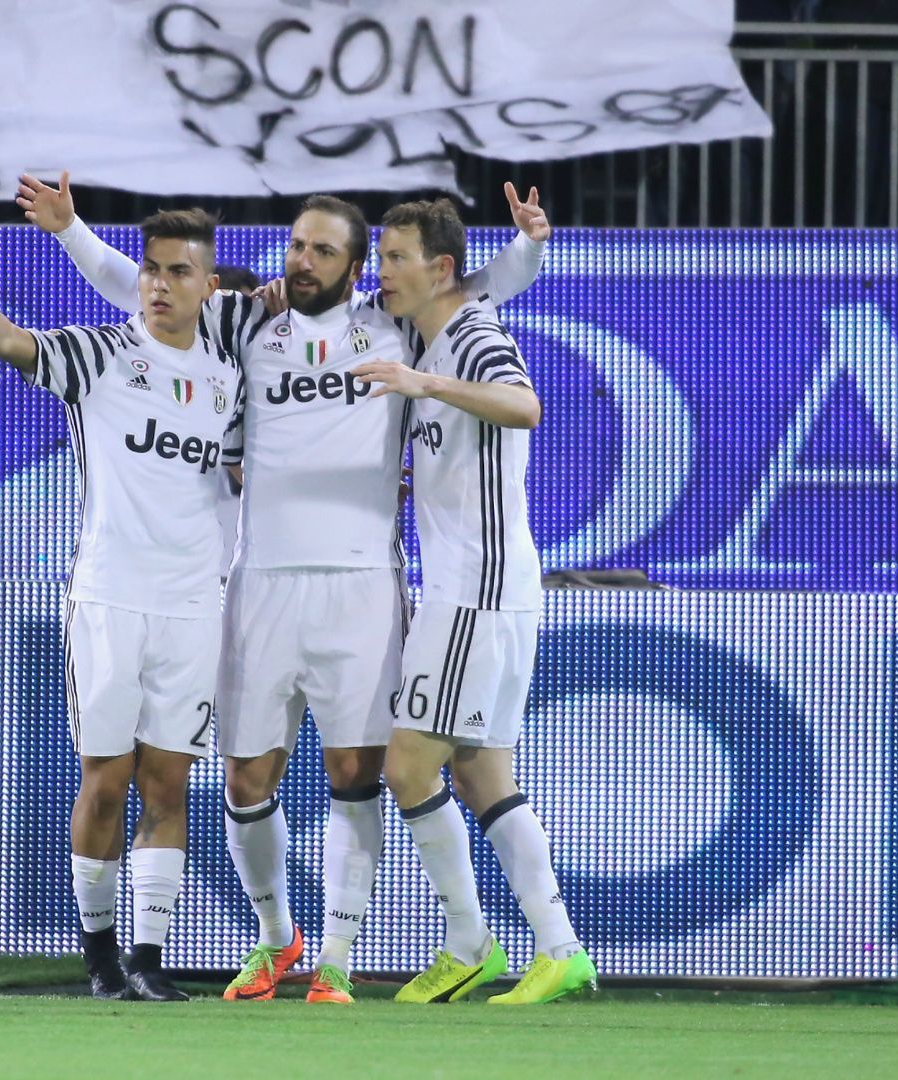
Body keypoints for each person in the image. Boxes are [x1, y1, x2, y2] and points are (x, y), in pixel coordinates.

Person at [18, 171, 550, 1002]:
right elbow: (148, 291)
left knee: (353, 774)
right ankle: (276, 939)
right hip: (259, 581)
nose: (302, 260)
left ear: (356, 265)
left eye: (323, 250)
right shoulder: (249, 321)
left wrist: (526, 245)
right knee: (243, 781)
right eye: (298, 243)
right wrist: (69, 230)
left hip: (364, 586)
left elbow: (473, 288)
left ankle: (334, 957)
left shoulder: (392, 328)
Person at [0, 210, 244, 1002]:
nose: (158, 284)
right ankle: (99, 956)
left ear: (207, 286)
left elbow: (246, 473)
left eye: (176, 272)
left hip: (196, 602)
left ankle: (148, 957)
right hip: (109, 594)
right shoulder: (102, 352)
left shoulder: (230, 378)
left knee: (168, 784)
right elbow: (11, 345)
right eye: (150, 269)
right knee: (106, 780)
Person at [351, 197, 597, 1005]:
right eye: (378, 257)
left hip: (477, 589)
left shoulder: (472, 338)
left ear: (440, 269)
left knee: (408, 765)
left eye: (393, 258)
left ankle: (468, 944)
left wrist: (424, 381)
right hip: (485, 587)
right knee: (486, 772)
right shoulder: (434, 329)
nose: (379, 272)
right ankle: (558, 948)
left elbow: (525, 405)